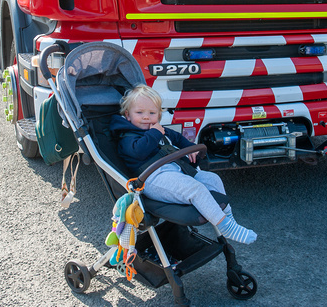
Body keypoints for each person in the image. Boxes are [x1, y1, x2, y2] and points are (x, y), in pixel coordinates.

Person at [110, 84, 257, 245]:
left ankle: (228, 219)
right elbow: (139, 151)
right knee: (195, 189)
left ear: (158, 115)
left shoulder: (159, 130)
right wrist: (155, 132)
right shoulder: (127, 137)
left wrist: (189, 148)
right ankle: (225, 226)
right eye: (139, 113)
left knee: (213, 179)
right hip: (152, 179)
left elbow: (179, 139)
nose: (146, 117)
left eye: (152, 113)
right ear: (128, 115)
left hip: (175, 171)